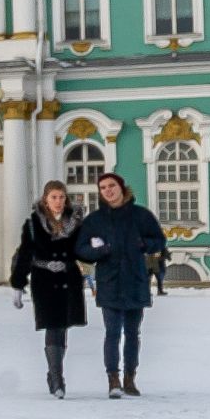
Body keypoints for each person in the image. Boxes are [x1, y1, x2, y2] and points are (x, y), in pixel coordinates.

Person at [74, 171, 166, 399]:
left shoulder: (140, 215)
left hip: (135, 280)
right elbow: (81, 249)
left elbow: (159, 240)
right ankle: (113, 378)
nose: (108, 191)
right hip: (109, 282)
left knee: (133, 333)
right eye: (103, 188)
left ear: (121, 188)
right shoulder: (95, 220)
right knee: (112, 332)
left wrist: (143, 243)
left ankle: (130, 378)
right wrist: (100, 251)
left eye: (111, 186)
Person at [9, 180, 88, 399]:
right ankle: (56, 378)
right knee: (52, 326)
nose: (58, 202)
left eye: (62, 197)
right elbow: (25, 254)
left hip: (68, 278)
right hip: (43, 280)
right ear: (46, 199)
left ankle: (55, 374)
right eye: (54, 197)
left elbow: (82, 251)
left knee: (62, 327)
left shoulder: (76, 223)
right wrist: (17, 284)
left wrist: (95, 248)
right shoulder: (33, 224)